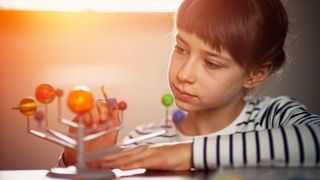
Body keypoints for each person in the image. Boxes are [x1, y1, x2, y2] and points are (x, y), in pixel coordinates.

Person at [59, 0, 320, 171]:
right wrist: (79, 163)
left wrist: (187, 153)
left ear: (255, 74)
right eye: (181, 49)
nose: (184, 74)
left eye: (212, 63)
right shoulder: (147, 143)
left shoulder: (275, 117)